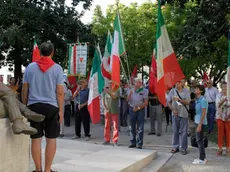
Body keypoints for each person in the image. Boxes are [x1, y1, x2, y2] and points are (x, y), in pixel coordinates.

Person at [22, 42, 64, 172]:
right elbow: (60, 91)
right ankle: (47, 170)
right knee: (51, 139)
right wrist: (61, 111)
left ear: (40, 52)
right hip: (51, 107)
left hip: (34, 107)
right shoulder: (57, 68)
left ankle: (38, 169)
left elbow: (25, 89)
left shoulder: (30, 67)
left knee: (36, 139)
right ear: (52, 52)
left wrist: (25, 107)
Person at [169, 80, 190, 155]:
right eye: (176, 82)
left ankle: (184, 148)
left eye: (179, 82)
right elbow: (168, 102)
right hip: (175, 114)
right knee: (175, 131)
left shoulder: (186, 91)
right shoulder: (172, 91)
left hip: (183, 113)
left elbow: (188, 102)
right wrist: (173, 109)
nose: (177, 84)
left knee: (184, 132)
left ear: (182, 83)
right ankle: (175, 146)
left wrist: (179, 100)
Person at [127, 78, 148, 149]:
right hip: (132, 109)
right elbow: (127, 100)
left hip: (140, 110)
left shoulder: (144, 91)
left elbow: (145, 102)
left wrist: (138, 108)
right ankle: (132, 142)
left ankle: (139, 143)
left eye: (138, 82)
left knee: (140, 127)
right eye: (135, 82)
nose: (136, 83)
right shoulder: (130, 90)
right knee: (132, 127)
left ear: (140, 83)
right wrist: (130, 94)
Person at [192, 85, 208, 165]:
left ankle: (202, 158)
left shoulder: (203, 100)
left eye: (197, 89)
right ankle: (202, 157)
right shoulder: (197, 100)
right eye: (195, 88)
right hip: (197, 121)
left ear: (201, 91)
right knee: (199, 140)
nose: (195, 89)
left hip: (200, 122)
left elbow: (203, 113)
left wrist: (200, 125)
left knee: (199, 140)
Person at [102, 81, 120, 146]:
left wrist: (109, 92)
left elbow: (114, 97)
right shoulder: (105, 91)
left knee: (115, 126)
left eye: (111, 83)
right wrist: (105, 108)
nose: (110, 84)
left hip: (114, 110)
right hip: (107, 111)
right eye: (109, 83)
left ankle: (115, 140)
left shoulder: (116, 90)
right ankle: (106, 139)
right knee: (107, 126)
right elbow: (103, 101)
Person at [215, 82, 230, 156]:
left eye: (226, 87)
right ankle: (220, 149)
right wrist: (224, 99)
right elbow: (218, 105)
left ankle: (228, 149)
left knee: (228, 133)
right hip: (220, 117)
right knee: (220, 133)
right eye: (223, 87)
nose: (225, 88)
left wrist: (229, 115)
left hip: (228, 118)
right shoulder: (218, 95)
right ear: (221, 87)